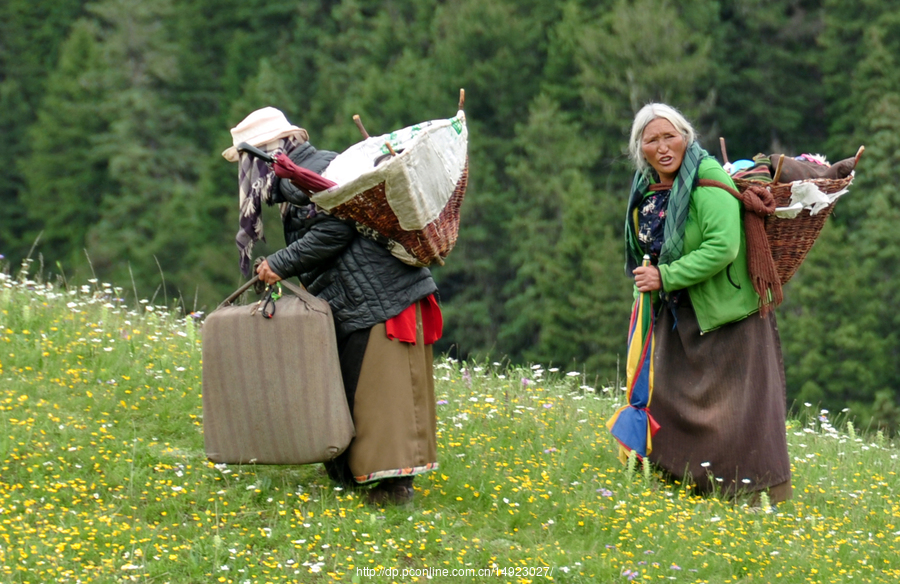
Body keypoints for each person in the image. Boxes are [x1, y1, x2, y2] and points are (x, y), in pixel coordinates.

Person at [224, 107, 442, 505]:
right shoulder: (306, 173)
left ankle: (394, 490)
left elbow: (334, 230)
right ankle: (358, 480)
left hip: (380, 297)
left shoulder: (306, 174)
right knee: (360, 389)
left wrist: (280, 263)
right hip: (369, 296)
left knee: (381, 394)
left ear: (267, 153)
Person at [623, 103, 792, 504]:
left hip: (728, 311)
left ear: (686, 137)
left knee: (740, 412)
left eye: (670, 136)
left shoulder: (707, 178)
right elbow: (644, 256)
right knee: (668, 397)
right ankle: (680, 485)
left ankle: (752, 496)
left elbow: (722, 246)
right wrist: (643, 305)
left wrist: (665, 277)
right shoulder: (645, 189)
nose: (663, 147)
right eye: (652, 140)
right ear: (639, 149)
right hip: (678, 311)